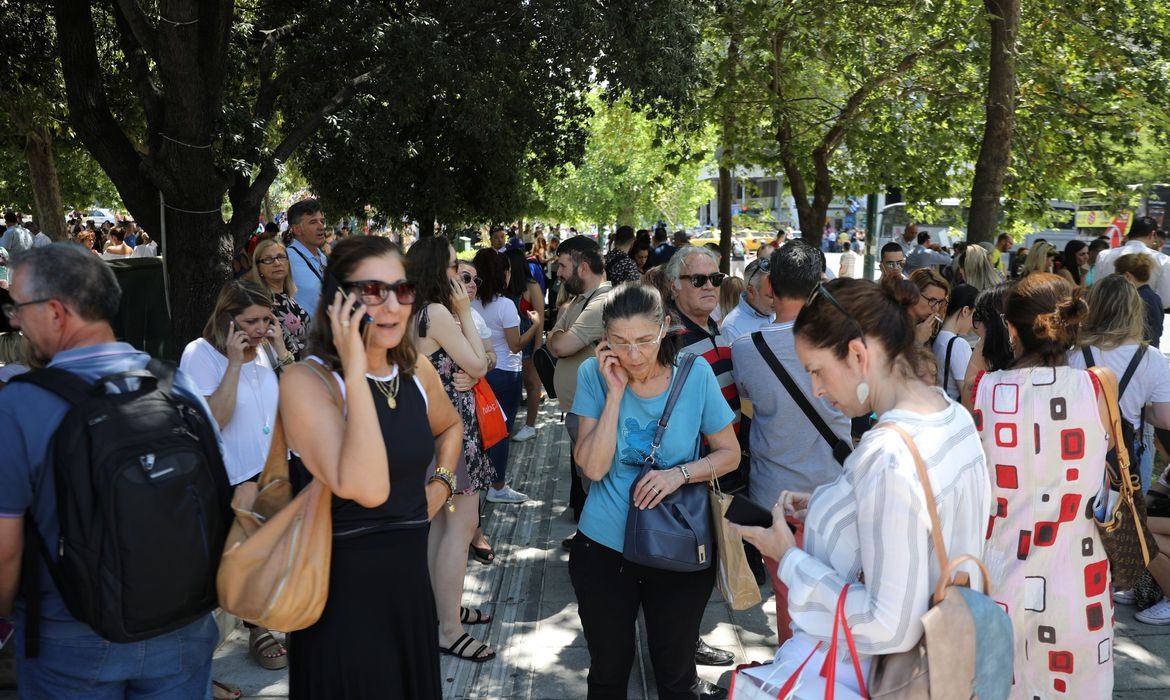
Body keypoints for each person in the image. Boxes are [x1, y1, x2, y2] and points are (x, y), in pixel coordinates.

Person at [733, 276, 991, 698]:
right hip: (947, 663)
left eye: (817, 370)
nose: (816, 388)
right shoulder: (952, 415)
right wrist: (829, 502)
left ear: (857, 354)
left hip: (868, 678)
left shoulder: (888, 454)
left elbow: (887, 625)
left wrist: (789, 557)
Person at [0, 244, 220, 697]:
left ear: (56, 312)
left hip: (70, 639)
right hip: (183, 625)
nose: (14, 320)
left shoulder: (19, 405)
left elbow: (5, 550)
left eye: (17, 308)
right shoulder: (176, 384)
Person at [281, 235, 462, 699]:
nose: (392, 306)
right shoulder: (307, 382)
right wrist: (358, 366)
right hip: (341, 602)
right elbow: (367, 486)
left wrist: (439, 487)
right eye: (373, 291)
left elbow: (451, 427)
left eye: (402, 290)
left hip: (408, 588)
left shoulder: (416, 371)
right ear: (337, 301)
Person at [569, 283, 740, 700]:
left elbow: (729, 454)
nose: (634, 355)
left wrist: (678, 474)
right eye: (620, 343)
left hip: (677, 544)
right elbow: (591, 467)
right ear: (605, 339)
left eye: (645, 340)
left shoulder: (694, 373)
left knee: (676, 672)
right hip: (604, 545)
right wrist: (614, 395)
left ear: (665, 327)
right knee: (608, 672)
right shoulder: (593, 374)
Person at [965, 273, 1113, 696]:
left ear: (1011, 328)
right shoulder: (1098, 387)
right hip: (1078, 576)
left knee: (1003, 684)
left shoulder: (987, 391)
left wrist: (984, 349)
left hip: (1003, 573)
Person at [730, 240, 849, 643]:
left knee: (788, 604)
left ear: (769, 285)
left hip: (773, 499)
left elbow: (748, 403)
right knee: (837, 602)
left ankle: (794, 674)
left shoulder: (747, 348)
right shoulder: (844, 342)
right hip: (836, 492)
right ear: (819, 284)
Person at [179, 279, 291, 671]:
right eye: (251, 321)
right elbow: (215, 419)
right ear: (228, 320)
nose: (260, 328)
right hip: (232, 474)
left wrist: (279, 351)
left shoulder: (264, 351)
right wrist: (232, 362)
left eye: (266, 319)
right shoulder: (200, 353)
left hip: (275, 466)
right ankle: (258, 629)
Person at [405, 237, 497, 661]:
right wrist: (463, 311)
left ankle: (442, 610)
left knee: (443, 527)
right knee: (460, 527)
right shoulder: (440, 312)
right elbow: (477, 364)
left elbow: (481, 360)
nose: (458, 273)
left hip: (433, 428)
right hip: (451, 430)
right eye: (452, 266)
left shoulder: (414, 311)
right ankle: (448, 629)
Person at [472, 248, 539, 503]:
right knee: (501, 431)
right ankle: (498, 486)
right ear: (503, 274)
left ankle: (480, 481)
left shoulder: (469, 303)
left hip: (479, 371)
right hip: (506, 373)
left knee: (480, 430)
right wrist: (534, 324)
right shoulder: (505, 305)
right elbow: (515, 345)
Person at [505, 248, 546, 443]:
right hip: (508, 344)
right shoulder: (504, 285)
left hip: (529, 343)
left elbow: (540, 318)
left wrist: (538, 347)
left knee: (531, 383)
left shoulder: (532, 286)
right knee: (513, 384)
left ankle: (530, 425)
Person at [247, 238, 312, 360]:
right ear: (259, 268)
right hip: (289, 371)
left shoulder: (288, 297)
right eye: (268, 259)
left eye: (281, 257)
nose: (277, 263)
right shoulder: (262, 304)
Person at [1093, 216, 1170, 308]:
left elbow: (1097, 292)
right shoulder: (1163, 260)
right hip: (1146, 319)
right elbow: (1165, 301)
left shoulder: (1104, 255)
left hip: (1109, 316)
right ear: (1152, 234)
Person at [931, 283, 977, 401]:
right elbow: (967, 394)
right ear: (965, 311)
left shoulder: (934, 336)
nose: (974, 324)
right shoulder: (958, 344)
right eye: (975, 315)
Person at [285, 198, 329, 315]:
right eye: (313, 222)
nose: (321, 227)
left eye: (322, 221)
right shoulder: (285, 259)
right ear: (297, 229)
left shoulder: (324, 258)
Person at [720, 258, 775, 343]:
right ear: (751, 291)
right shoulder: (731, 327)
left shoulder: (782, 311)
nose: (778, 299)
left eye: (779, 292)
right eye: (771, 296)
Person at [1114, 253, 1163, 347]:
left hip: (1135, 353)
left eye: (1117, 277)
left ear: (1127, 276)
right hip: (1149, 351)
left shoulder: (1133, 300)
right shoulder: (1155, 297)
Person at [908, 267, 950, 345]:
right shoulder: (892, 323)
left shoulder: (932, 327)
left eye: (940, 302)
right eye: (932, 300)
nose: (936, 308)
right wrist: (917, 341)